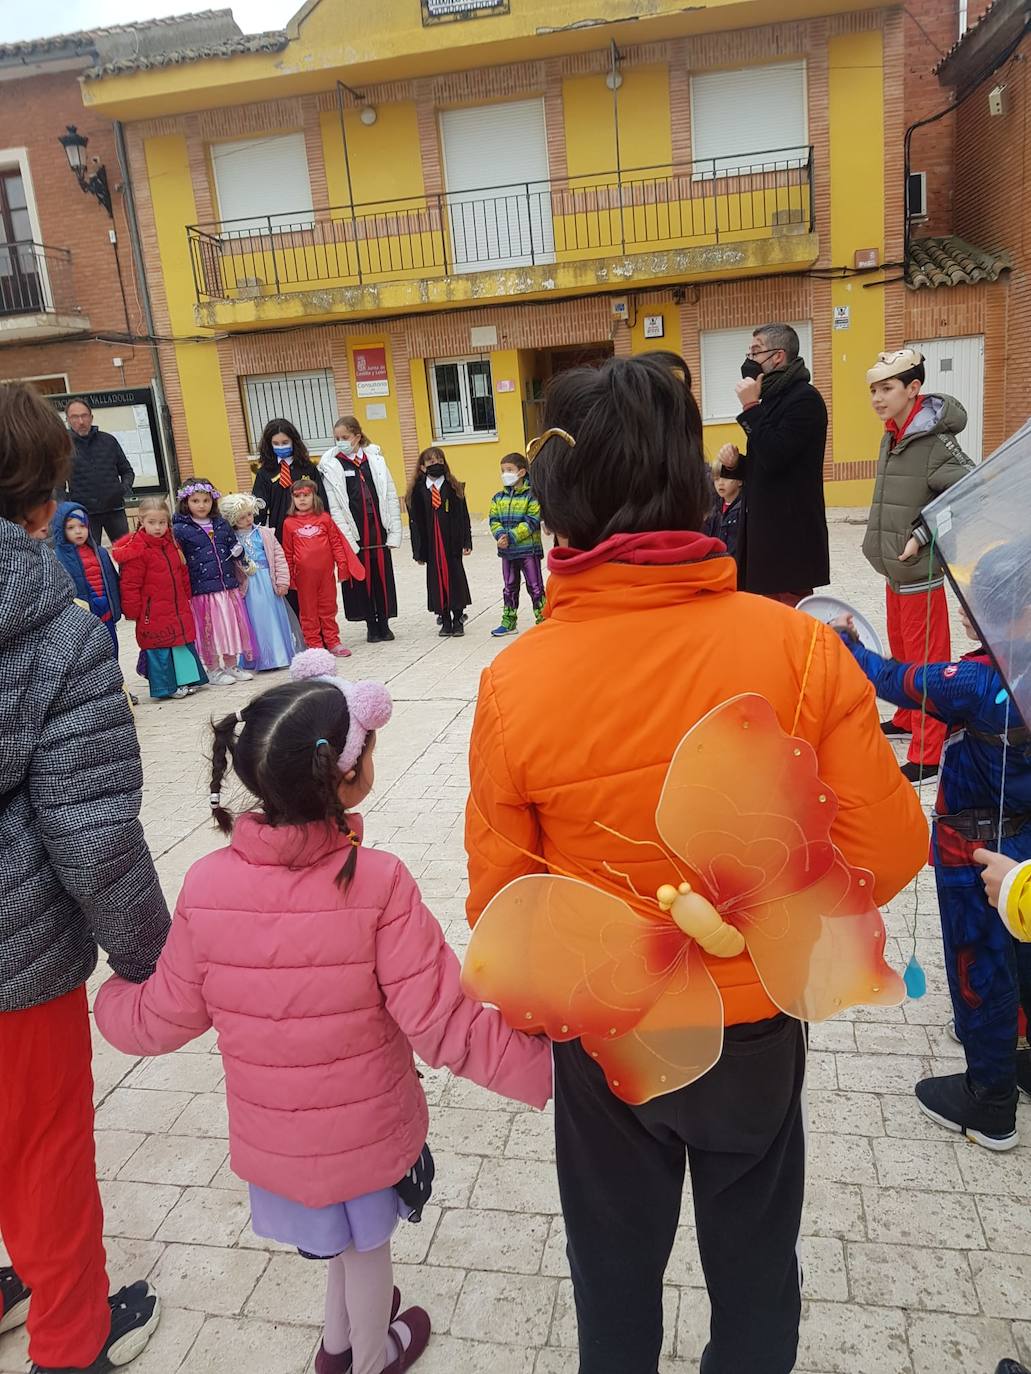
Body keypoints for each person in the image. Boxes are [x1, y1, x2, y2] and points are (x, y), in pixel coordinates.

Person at [464, 354, 927, 1374]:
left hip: (606, 1030)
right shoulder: (795, 646)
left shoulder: (513, 681)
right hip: (753, 1017)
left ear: (560, 498)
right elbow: (889, 848)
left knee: (612, 1276)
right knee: (757, 1270)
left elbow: (503, 902)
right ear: (690, 478)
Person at [91, 652, 552, 1374]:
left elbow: (167, 1014)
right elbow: (443, 1023)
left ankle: (338, 1345)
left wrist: (112, 1002)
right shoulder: (376, 882)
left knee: (338, 1244)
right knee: (367, 1248)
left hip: (278, 1137)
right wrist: (553, 1070)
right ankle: (368, 1356)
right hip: (364, 1134)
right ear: (349, 776)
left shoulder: (208, 883)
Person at [0, 381, 167, 1374]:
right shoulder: (56, 632)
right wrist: (150, 954)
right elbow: (91, 826)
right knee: (43, 1151)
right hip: (16, 958)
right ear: (43, 495)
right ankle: (72, 1342)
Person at [833, 588, 1031, 1148]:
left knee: (980, 966)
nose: (967, 611)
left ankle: (989, 1099)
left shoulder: (978, 681)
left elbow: (895, 680)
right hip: (1027, 845)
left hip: (976, 852)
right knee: (1027, 945)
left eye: (986, 602)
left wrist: (848, 644)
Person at [861, 347, 974, 785]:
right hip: (896, 572)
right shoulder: (894, 434)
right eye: (873, 389)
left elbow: (968, 493)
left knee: (927, 664)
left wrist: (922, 537)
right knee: (904, 655)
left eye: (886, 388)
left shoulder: (935, 442)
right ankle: (909, 720)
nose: (877, 397)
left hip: (920, 574)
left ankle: (929, 753)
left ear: (913, 389)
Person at [717, 323, 829, 605]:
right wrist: (736, 465)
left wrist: (750, 408)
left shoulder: (804, 399)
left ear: (778, 356)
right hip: (765, 535)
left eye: (756, 351)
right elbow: (765, 463)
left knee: (788, 622)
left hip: (790, 537)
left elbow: (777, 456)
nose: (749, 359)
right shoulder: (770, 398)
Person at [113, 497, 208, 701]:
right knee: (160, 646)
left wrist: (186, 593)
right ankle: (166, 685)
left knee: (180, 643)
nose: (157, 528)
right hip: (152, 612)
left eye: (162, 523)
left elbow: (182, 572)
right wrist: (133, 611)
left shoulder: (171, 544)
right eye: (152, 523)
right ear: (141, 520)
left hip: (176, 607)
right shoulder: (137, 550)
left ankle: (186, 679)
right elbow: (130, 585)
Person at [320, 417, 402, 644]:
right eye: (337, 438)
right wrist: (345, 534)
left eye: (345, 437)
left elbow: (389, 493)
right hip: (355, 529)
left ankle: (384, 622)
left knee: (381, 575)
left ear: (357, 436)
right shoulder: (332, 466)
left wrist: (394, 529)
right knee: (361, 577)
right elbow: (334, 505)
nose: (341, 442)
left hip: (377, 526)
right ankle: (371, 624)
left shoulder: (374, 460)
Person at [173, 478, 255, 687]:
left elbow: (233, 546)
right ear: (186, 502)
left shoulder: (221, 524)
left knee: (230, 627)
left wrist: (239, 552)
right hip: (202, 590)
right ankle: (213, 669)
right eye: (195, 501)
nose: (201, 505)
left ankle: (231, 665)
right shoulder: (180, 528)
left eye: (206, 500)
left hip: (227, 587)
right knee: (209, 631)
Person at [283, 478, 364, 656]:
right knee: (308, 611)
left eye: (306, 495)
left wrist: (342, 566)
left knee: (328, 608)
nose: (302, 499)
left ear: (314, 497)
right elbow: (287, 552)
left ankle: (333, 641)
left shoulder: (325, 519)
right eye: (297, 496)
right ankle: (314, 645)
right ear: (292, 499)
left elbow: (336, 544)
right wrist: (289, 577)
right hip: (303, 577)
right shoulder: (289, 523)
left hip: (326, 575)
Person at [219, 492, 298, 672]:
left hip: (268, 582)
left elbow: (278, 557)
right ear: (232, 519)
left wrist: (283, 581)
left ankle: (279, 656)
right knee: (254, 623)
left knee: (273, 619)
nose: (247, 519)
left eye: (249, 514)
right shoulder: (230, 539)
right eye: (241, 517)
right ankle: (258, 658)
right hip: (248, 587)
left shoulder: (264, 533)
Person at [407, 448, 472, 639]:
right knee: (436, 581)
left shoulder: (454, 487)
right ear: (422, 467)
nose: (435, 464)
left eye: (439, 460)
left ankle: (458, 617)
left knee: (455, 578)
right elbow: (415, 525)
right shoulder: (417, 492)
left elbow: (464, 517)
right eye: (430, 462)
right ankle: (444, 618)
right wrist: (418, 551)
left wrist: (466, 541)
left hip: (451, 543)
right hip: (432, 544)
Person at [51, 500, 122, 655]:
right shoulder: (57, 557)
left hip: (106, 616)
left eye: (82, 526)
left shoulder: (101, 553)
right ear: (61, 529)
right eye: (71, 527)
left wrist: (117, 609)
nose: (78, 531)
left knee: (112, 652)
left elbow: (114, 582)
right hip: (82, 622)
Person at [64, 397, 136, 547]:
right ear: (68, 420)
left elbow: (127, 471)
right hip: (84, 514)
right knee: (91, 559)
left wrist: (121, 490)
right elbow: (56, 484)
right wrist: (69, 505)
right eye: (75, 417)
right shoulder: (62, 446)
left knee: (126, 553)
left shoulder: (109, 441)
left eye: (84, 415)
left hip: (115, 509)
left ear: (91, 417)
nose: (81, 421)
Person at [488, 453, 545, 638]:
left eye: (509, 470)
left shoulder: (532, 496)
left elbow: (531, 521)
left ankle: (543, 618)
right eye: (503, 470)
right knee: (509, 586)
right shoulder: (498, 498)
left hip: (529, 550)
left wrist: (511, 536)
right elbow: (494, 520)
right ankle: (509, 621)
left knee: (535, 586)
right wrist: (500, 535)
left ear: (521, 472)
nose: (505, 474)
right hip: (507, 553)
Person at [714, 472, 743, 564]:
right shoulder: (713, 509)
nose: (720, 483)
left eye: (726, 478)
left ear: (740, 481)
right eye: (716, 479)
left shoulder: (743, 510)